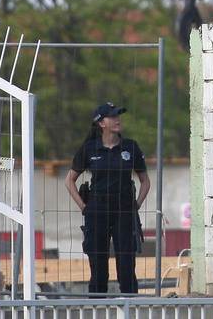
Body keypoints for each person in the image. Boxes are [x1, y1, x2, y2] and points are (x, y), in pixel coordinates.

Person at [65, 102, 149, 295]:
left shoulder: (130, 147)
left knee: (126, 263)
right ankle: (97, 305)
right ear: (101, 123)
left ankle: (130, 304)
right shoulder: (89, 149)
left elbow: (145, 181)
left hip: (124, 209)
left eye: (118, 115)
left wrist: (136, 205)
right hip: (97, 210)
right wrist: (84, 207)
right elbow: (69, 180)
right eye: (113, 116)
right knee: (98, 263)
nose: (118, 119)